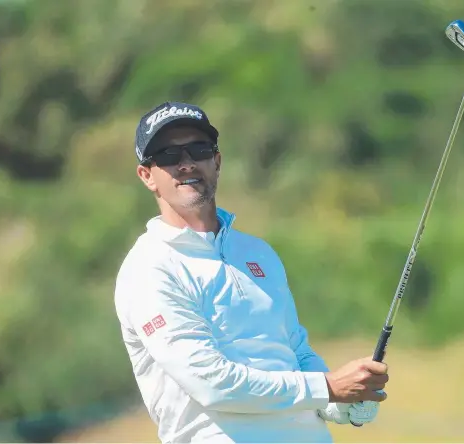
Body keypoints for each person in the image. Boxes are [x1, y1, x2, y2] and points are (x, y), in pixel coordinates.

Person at [114, 101, 390, 443]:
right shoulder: (149, 268)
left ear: (216, 162)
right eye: (168, 155)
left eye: (198, 149)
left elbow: (296, 353)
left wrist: (344, 403)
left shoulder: (257, 252)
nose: (186, 163)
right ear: (147, 176)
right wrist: (329, 388)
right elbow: (211, 383)